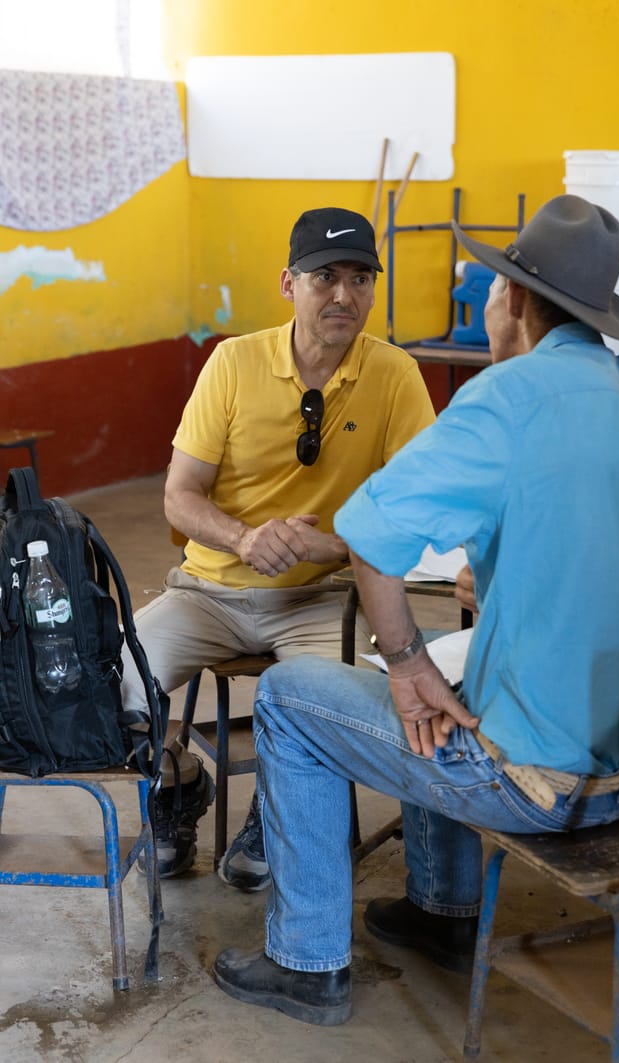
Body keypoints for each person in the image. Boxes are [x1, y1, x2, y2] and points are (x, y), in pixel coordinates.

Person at [212, 194, 619, 1026]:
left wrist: (404, 663)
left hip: (544, 782)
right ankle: (442, 912)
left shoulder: (509, 395)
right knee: (454, 661)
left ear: (513, 299)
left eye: (492, 285)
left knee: (296, 695)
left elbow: (369, 536)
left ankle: (306, 959)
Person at [121, 206, 435, 885]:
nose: (345, 295)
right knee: (113, 683)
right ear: (289, 283)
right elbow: (180, 494)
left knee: (326, 707)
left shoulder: (395, 375)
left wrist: (328, 548)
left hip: (323, 600)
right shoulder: (232, 363)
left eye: (361, 278)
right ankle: (177, 780)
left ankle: (277, 800)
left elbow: (419, 509)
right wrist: (243, 536)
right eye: (326, 277)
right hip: (209, 592)